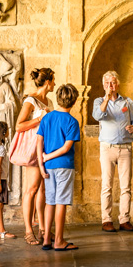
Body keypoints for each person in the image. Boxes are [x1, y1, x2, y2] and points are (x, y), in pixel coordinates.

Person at [91, 71, 133, 232]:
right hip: (107, 148)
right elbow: (98, 115)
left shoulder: (127, 101)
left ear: (117, 84)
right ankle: (106, 220)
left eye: (112, 83)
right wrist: (106, 97)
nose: (109, 86)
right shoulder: (99, 101)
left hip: (125, 148)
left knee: (126, 186)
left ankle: (124, 219)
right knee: (107, 185)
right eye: (106, 83)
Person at [37, 84, 80, 251]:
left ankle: (47, 238)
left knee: (50, 202)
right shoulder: (72, 121)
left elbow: (39, 142)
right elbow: (66, 148)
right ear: (74, 101)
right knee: (61, 202)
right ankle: (59, 241)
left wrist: (42, 163)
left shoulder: (47, 118)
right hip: (64, 166)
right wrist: (48, 156)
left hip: (48, 167)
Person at [15, 67, 54, 245]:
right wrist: (40, 119)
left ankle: (44, 228)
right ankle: (28, 230)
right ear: (47, 82)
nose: (54, 83)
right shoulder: (31, 100)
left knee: (43, 190)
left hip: (47, 149)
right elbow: (19, 125)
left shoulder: (50, 102)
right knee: (31, 188)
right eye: (53, 80)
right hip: (33, 149)